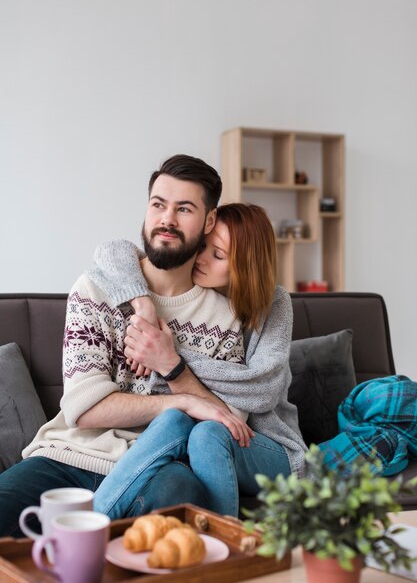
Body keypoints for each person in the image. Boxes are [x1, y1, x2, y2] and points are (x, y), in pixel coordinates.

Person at [0, 154, 253, 537]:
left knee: (179, 494)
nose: (166, 219)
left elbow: (228, 422)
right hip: (68, 457)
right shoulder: (95, 290)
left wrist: (173, 368)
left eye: (184, 208)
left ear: (209, 220)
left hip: (156, 465)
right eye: (158, 205)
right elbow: (84, 409)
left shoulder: (225, 318)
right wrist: (181, 401)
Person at [89, 202, 306, 519]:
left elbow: (264, 389)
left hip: (268, 447)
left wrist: (170, 357)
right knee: (175, 420)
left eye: (217, 256)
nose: (201, 259)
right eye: (203, 246)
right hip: (204, 434)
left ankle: (226, 547)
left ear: (245, 266)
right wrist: (143, 304)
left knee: (208, 433)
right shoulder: (195, 298)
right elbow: (112, 250)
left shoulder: (273, 303)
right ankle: (91, 523)